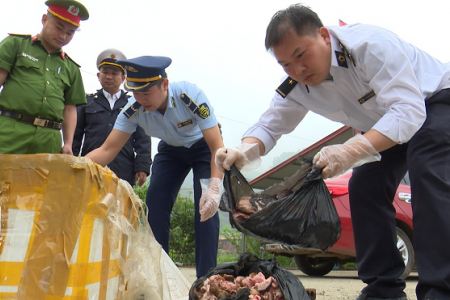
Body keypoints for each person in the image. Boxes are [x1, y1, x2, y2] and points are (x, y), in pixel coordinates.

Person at [215, 4, 450, 300]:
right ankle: (383, 290)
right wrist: (243, 151)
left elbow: (408, 111)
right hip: (383, 124)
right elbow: (270, 124)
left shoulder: (369, 47)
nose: (298, 70)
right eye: (285, 64)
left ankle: (441, 290)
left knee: (427, 175)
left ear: (324, 36)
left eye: (301, 55)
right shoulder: (298, 85)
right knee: (364, 187)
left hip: (432, 102)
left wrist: (351, 150)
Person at [85, 56, 224, 278]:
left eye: (146, 93)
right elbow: (107, 150)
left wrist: (214, 187)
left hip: (203, 149)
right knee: (155, 204)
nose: (141, 100)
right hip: (170, 151)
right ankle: (160, 275)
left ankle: (206, 279)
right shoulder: (133, 110)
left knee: (206, 207)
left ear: (164, 85)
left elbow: (217, 145)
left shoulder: (189, 96)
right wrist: (76, 166)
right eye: (136, 93)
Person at [0, 0, 89, 154]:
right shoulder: (16, 44)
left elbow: (69, 108)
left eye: (70, 33)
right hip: (11, 130)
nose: (63, 36)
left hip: (49, 139)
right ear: (44, 19)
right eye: (59, 28)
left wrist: (68, 143)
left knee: (43, 179)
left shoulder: (71, 68)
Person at [72, 49, 151, 187]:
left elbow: (142, 138)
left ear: (123, 78)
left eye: (114, 73)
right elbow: (75, 135)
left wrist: (142, 166)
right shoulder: (86, 102)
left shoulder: (133, 105)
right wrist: (70, 160)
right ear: (98, 75)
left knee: (119, 207)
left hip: (123, 168)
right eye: (105, 72)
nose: (109, 76)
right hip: (91, 167)